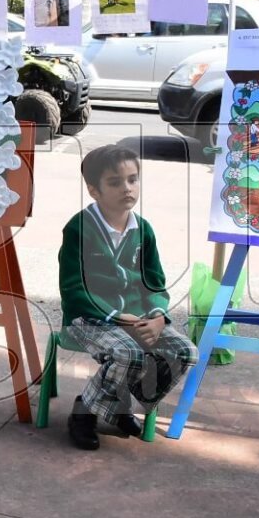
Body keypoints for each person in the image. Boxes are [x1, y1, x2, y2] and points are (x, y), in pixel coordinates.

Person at [57, 145, 198, 450]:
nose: (127, 188)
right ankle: (84, 413)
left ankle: (115, 403)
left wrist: (159, 316)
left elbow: (155, 283)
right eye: (115, 182)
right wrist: (119, 319)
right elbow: (73, 290)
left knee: (185, 352)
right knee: (129, 354)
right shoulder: (79, 229)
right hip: (89, 319)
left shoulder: (143, 229)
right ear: (94, 190)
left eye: (133, 180)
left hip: (140, 318)